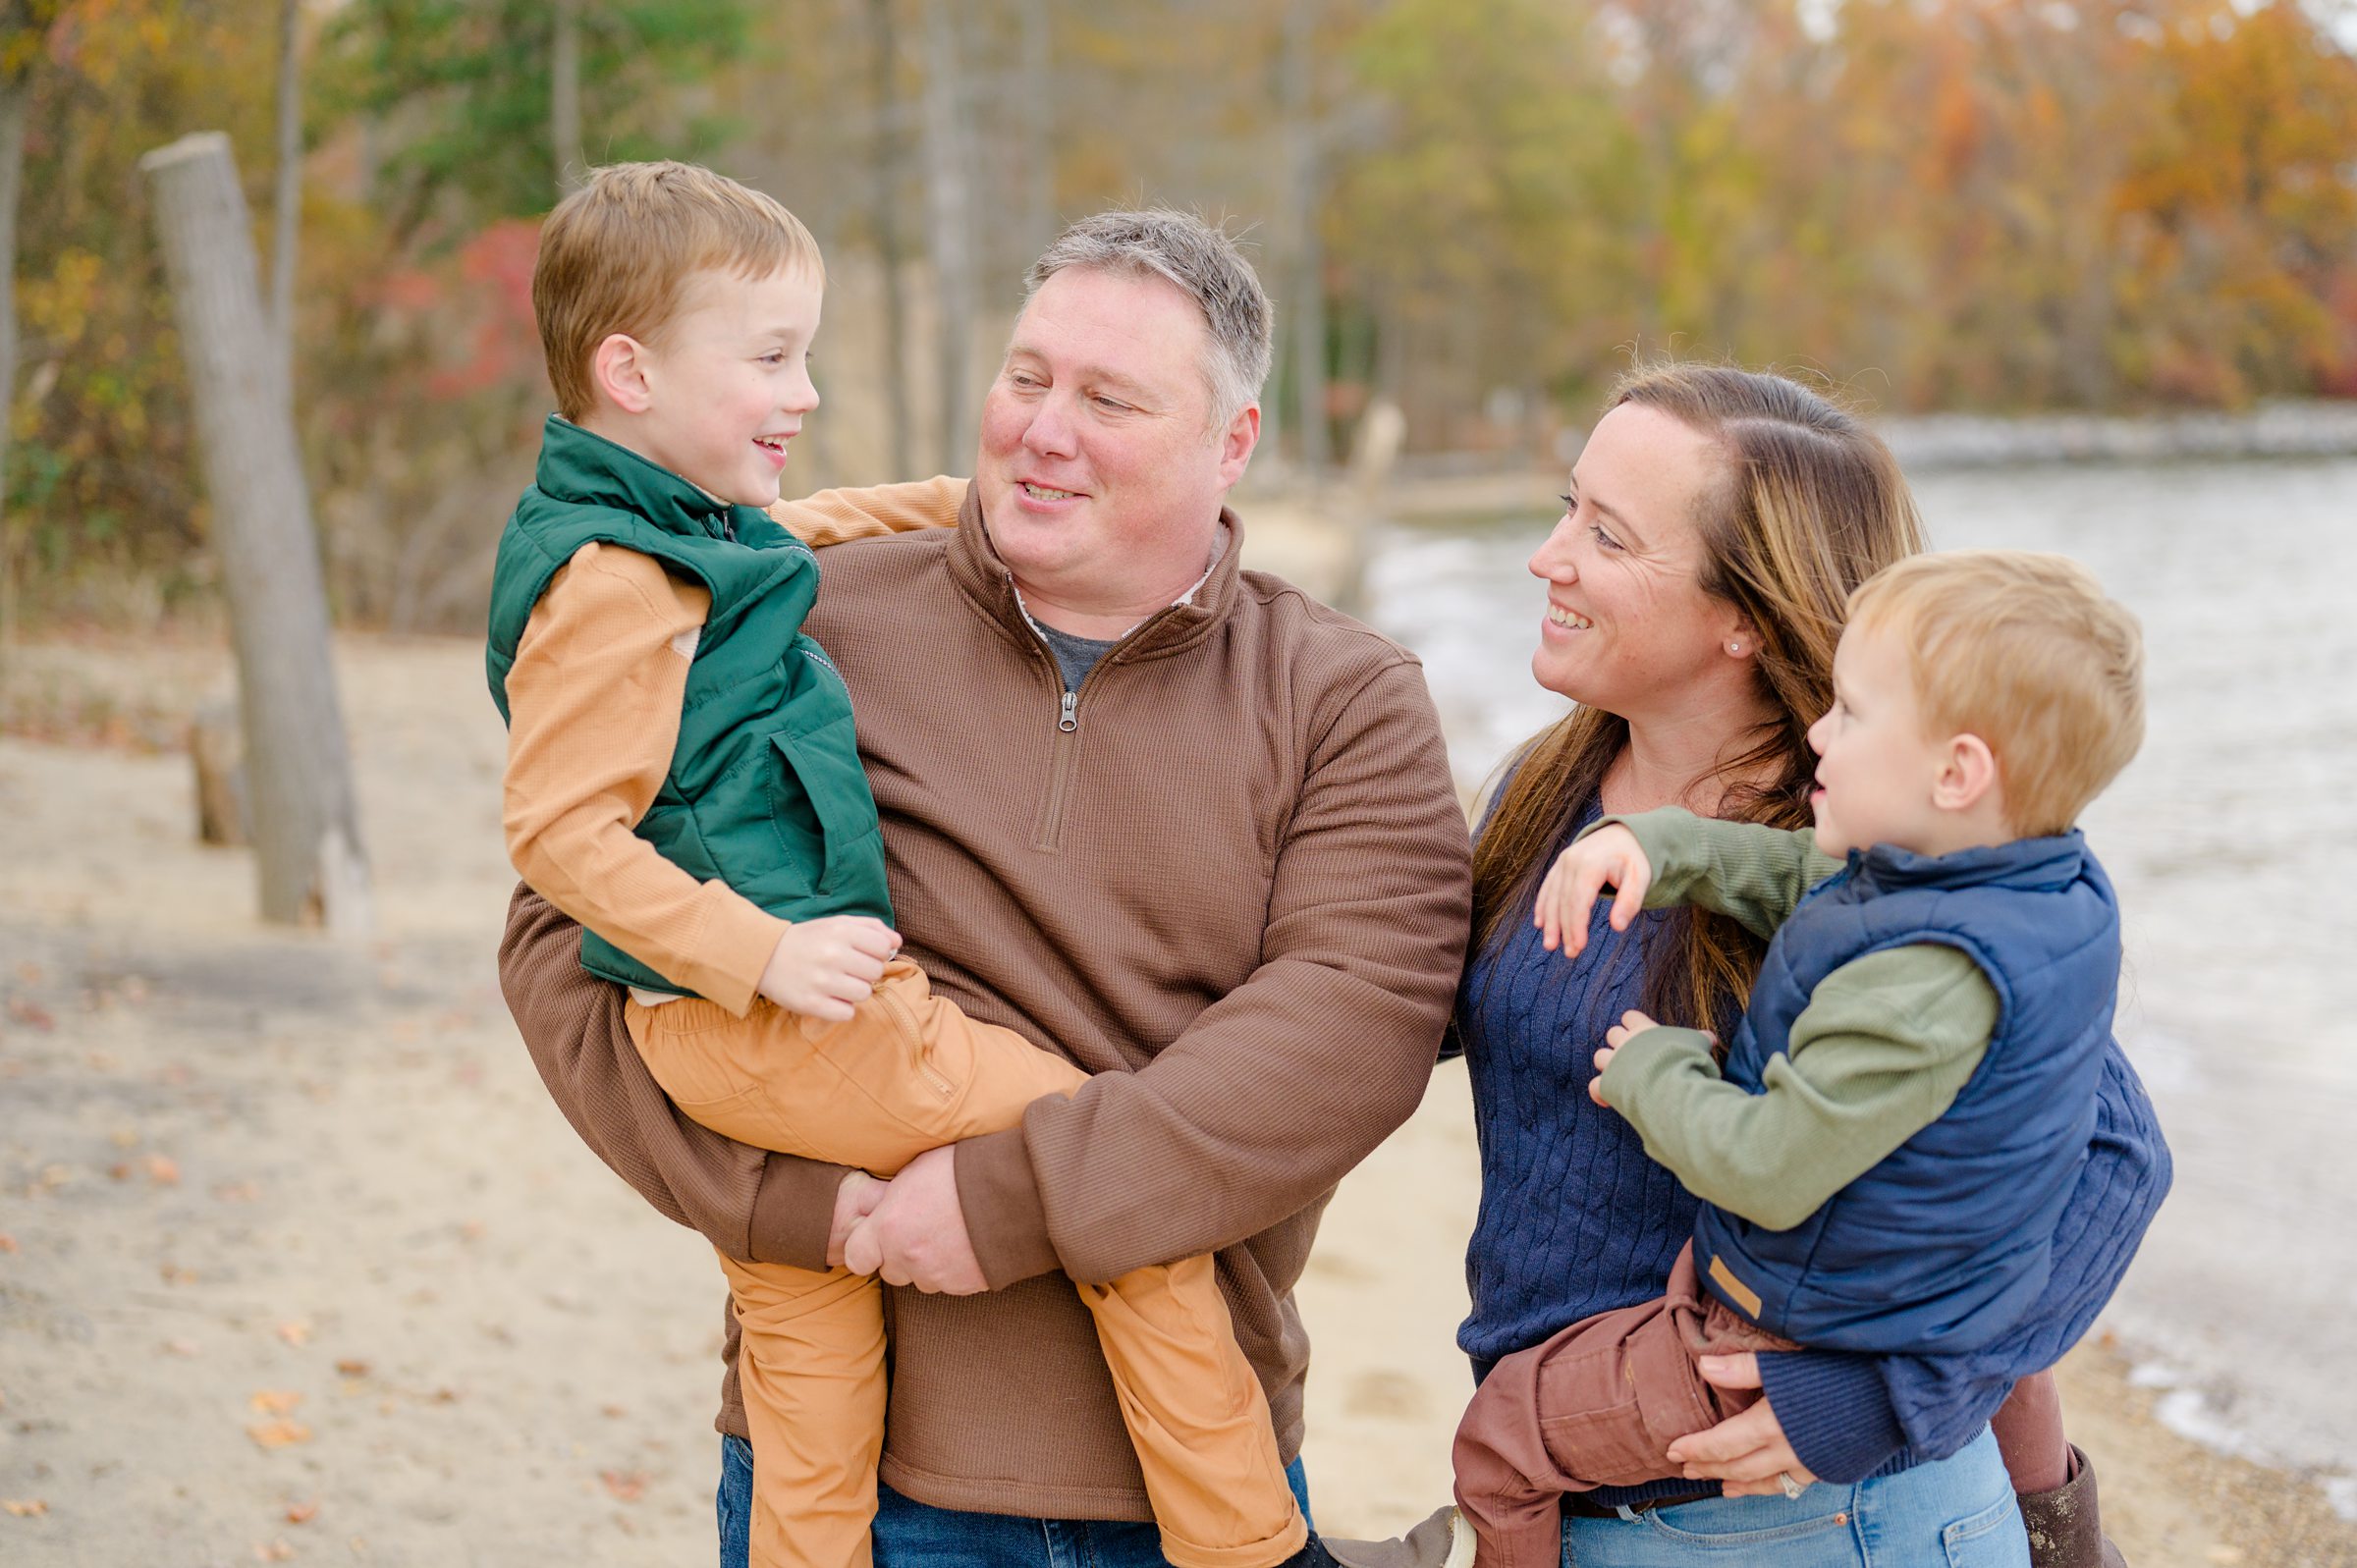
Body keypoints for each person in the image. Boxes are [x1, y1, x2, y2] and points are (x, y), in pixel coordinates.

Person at [494, 204, 1473, 1568]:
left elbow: (1356, 1026)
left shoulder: (1339, 694)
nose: (1043, 428)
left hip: (1175, 1497)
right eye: (1027, 378)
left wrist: (1012, 1199)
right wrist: (775, 1199)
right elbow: (565, 938)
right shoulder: (797, 614)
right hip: (864, 1478)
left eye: (1110, 398)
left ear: (1231, 443)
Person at [1447, 364, 2169, 1568]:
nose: (1546, 556)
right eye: (1569, 506)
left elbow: (2117, 1162)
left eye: (1605, 534)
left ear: (1744, 615)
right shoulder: (1551, 788)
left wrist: (1869, 1407)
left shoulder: (1875, 854)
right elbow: (1414, 1006)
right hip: (1589, 1490)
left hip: (1813, 1516)